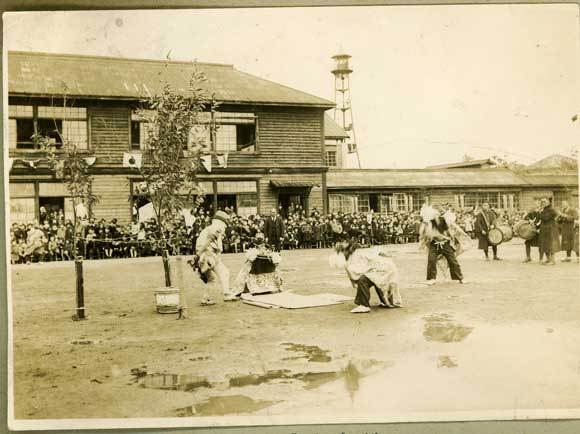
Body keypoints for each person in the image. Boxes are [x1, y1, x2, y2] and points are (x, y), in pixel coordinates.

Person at [331, 238, 402, 313]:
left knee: (364, 279)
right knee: (375, 280)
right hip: (386, 267)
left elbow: (358, 273)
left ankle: (364, 305)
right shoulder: (357, 253)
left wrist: (358, 282)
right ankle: (388, 302)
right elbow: (378, 252)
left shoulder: (356, 255)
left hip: (383, 268)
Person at [191, 210, 238, 305]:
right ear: (221, 222)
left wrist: (197, 256)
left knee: (212, 279)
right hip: (208, 256)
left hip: (203, 256)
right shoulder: (216, 228)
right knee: (224, 272)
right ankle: (226, 294)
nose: (225, 226)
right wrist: (197, 256)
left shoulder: (207, 229)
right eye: (225, 223)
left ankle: (205, 299)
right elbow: (208, 242)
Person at [419, 205, 465, 285]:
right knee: (431, 260)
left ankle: (459, 277)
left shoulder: (444, 220)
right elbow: (422, 232)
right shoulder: (429, 222)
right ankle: (431, 278)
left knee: (453, 260)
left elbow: (450, 231)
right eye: (435, 213)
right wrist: (425, 223)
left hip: (445, 243)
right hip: (434, 243)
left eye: (438, 213)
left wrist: (453, 237)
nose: (436, 215)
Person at [538, 197, 560, 265]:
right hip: (544, 229)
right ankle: (548, 259)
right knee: (545, 245)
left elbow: (545, 218)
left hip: (550, 230)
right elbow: (541, 218)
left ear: (548, 202)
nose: (543, 203)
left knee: (550, 245)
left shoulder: (551, 209)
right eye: (542, 202)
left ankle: (552, 261)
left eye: (544, 201)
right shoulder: (544, 209)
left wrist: (540, 213)